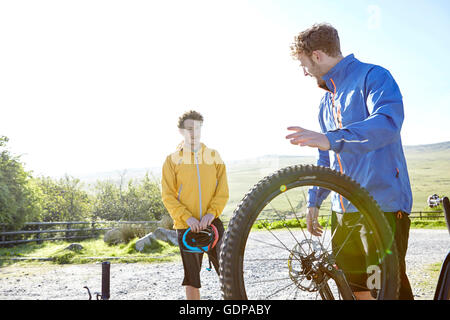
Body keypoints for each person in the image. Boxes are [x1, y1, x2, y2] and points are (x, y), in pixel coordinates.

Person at [286, 23, 414, 300]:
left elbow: (387, 124)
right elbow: (326, 158)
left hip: (382, 205)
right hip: (343, 210)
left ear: (317, 55)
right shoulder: (325, 102)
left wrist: (332, 139)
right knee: (355, 290)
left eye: (302, 63)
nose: (303, 71)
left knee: (387, 290)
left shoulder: (374, 76)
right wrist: (314, 201)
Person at [161, 110, 229, 300]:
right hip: (186, 227)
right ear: (181, 131)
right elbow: (168, 195)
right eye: (189, 128)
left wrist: (210, 215)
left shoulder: (214, 156)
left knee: (227, 273)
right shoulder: (172, 160)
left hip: (213, 224)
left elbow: (222, 191)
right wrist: (187, 218)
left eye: (197, 128)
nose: (194, 132)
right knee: (192, 279)